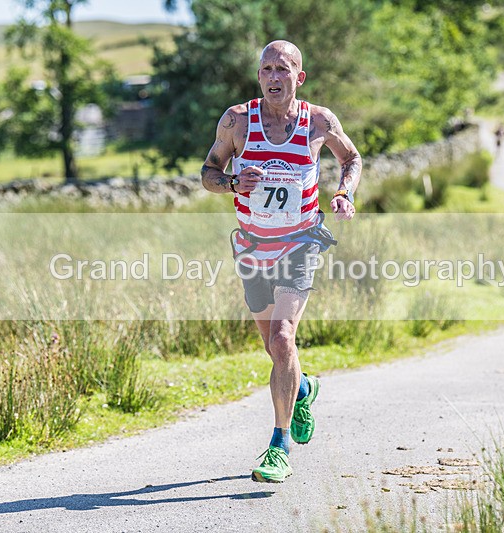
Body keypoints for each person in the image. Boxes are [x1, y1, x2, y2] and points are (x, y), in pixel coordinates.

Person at [200, 40, 361, 483]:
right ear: (259, 77)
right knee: (273, 349)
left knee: (283, 337)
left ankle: (279, 446)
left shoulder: (319, 121)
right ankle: (303, 387)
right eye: (267, 69)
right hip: (253, 247)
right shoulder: (237, 120)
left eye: (283, 69)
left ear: (299, 77)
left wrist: (344, 193)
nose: (274, 77)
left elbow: (351, 158)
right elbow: (209, 173)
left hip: (300, 242)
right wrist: (233, 183)